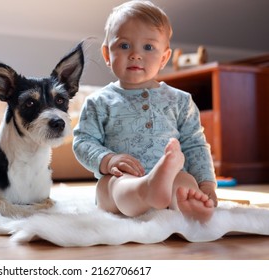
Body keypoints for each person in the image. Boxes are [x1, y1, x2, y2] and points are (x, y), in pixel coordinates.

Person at [73, 0, 217, 223]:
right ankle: (147, 190)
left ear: (164, 58)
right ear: (106, 54)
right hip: (121, 179)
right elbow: (83, 142)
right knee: (114, 187)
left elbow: (194, 144)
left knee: (185, 182)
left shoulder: (180, 101)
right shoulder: (99, 102)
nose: (135, 55)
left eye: (148, 47)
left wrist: (206, 183)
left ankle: (190, 206)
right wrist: (108, 159)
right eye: (123, 46)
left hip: (171, 180)